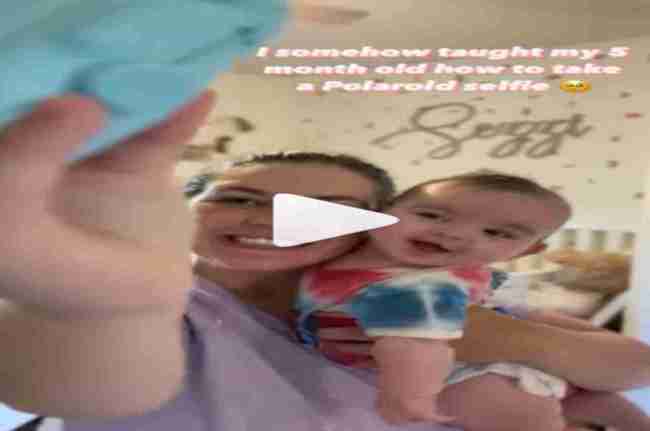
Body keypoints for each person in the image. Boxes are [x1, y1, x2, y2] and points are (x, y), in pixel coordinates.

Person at [3, 98, 650, 431]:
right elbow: (73, 385)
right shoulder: (164, 298)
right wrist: (98, 296)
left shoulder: (435, 291)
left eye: (324, 209)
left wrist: (480, 333)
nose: (268, 218)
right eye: (239, 198)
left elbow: (630, 366)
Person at [291, 173, 650, 431]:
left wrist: (573, 337)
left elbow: (517, 312)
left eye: (495, 232)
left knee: (597, 398)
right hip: (445, 377)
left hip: (490, 361)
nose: (453, 233)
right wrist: (410, 395)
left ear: (525, 251)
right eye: (431, 215)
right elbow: (413, 346)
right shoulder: (405, 285)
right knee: (528, 418)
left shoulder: (457, 271)